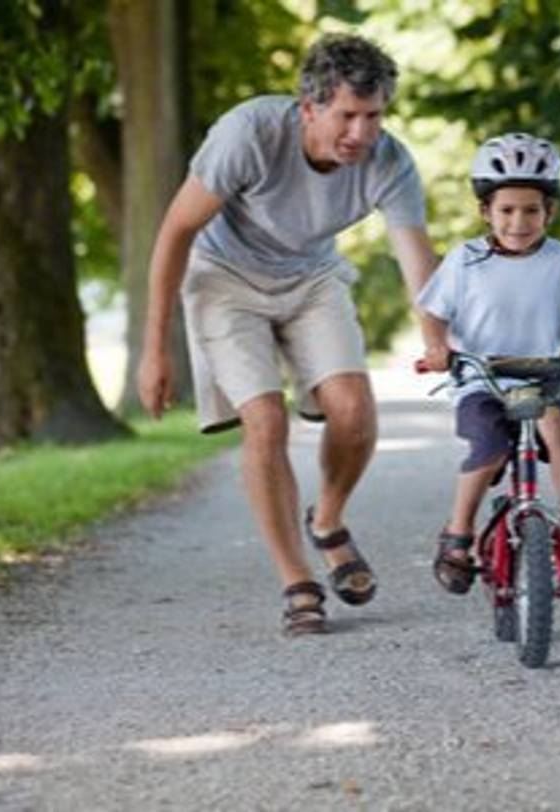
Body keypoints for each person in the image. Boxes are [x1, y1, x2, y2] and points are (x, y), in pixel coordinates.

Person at [137, 34, 442, 635]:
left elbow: (415, 258)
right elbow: (175, 231)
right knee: (266, 420)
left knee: (353, 410)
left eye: (374, 115)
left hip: (310, 279)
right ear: (309, 108)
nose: (361, 133)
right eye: (347, 116)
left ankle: (327, 521)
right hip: (224, 279)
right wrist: (153, 349)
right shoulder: (248, 133)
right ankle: (296, 580)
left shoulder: (390, 162)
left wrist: (437, 339)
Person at [417, 132, 560, 594]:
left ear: (549, 212)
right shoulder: (464, 260)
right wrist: (437, 349)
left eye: (532, 210)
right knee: (489, 447)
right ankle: (458, 534)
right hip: (481, 378)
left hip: (541, 376)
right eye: (507, 210)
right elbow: (432, 312)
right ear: (485, 212)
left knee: (558, 426)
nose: (519, 221)